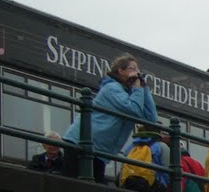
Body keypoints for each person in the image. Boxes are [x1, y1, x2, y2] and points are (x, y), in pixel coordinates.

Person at [61, 54, 157, 183]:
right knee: (75, 186)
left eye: (138, 69)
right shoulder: (111, 88)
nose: (137, 72)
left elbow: (151, 118)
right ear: (121, 71)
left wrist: (143, 87)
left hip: (100, 151)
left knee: (92, 191)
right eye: (132, 68)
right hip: (81, 143)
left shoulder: (133, 94)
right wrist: (137, 89)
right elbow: (133, 110)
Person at [117, 126, 169, 192]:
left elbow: (123, 166)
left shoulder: (131, 146)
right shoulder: (162, 146)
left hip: (129, 183)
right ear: (158, 133)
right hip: (154, 187)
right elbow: (167, 170)